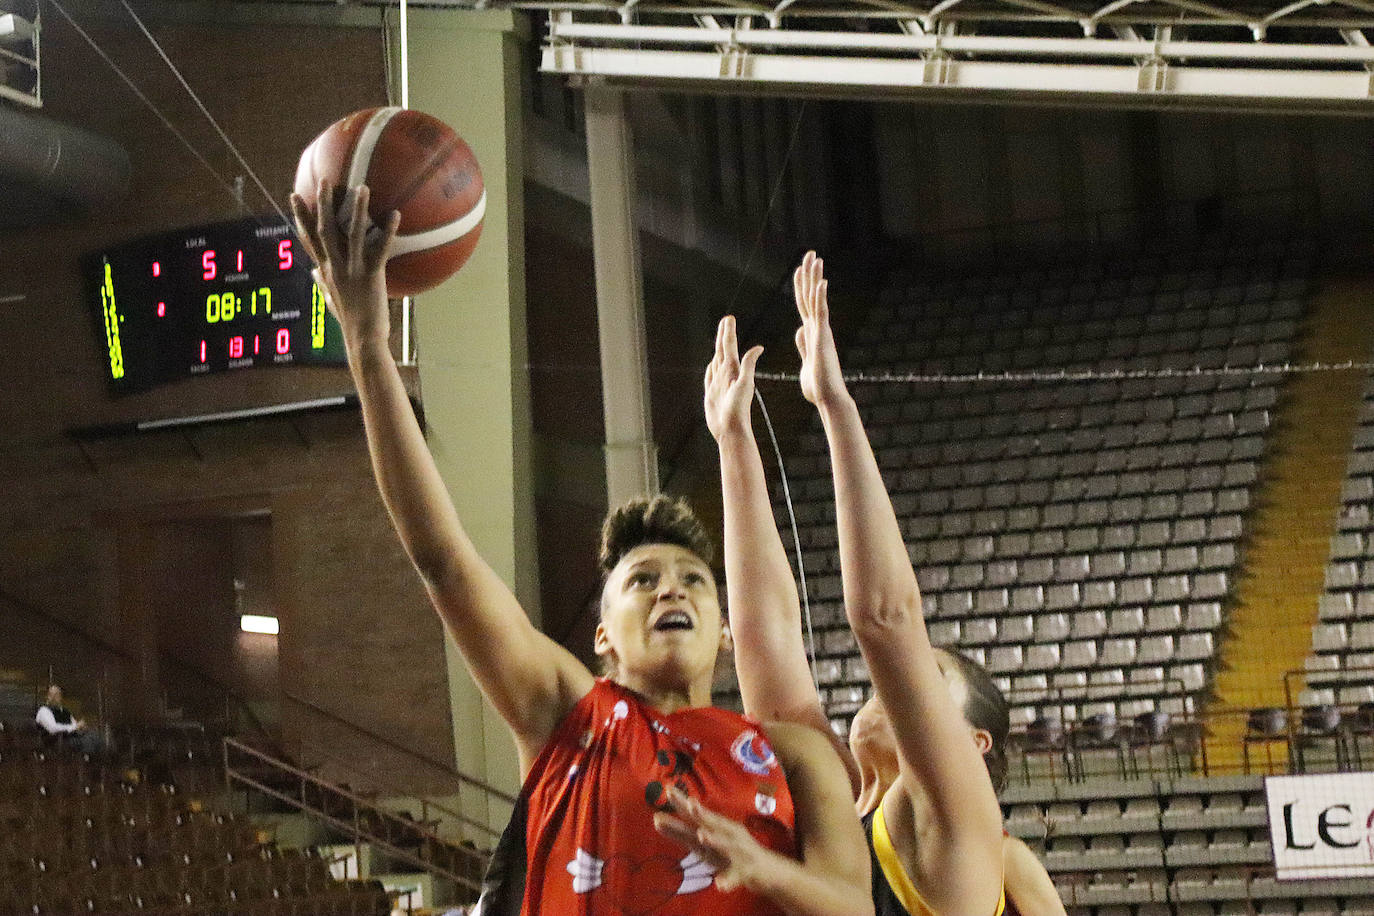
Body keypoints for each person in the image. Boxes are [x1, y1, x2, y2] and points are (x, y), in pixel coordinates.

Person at [290, 183, 870, 916]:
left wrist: (762, 866)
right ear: (602, 635)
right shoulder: (566, 714)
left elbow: (854, 909)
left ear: (727, 636)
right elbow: (443, 560)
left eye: (694, 579)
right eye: (642, 581)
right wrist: (369, 348)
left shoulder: (793, 754)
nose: (672, 589)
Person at [703, 252, 1067, 916]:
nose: (890, 689)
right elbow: (767, 641)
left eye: (926, 678)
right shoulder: (835, 798)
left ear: (973, 744)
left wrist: (835, 409)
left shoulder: (955, 832)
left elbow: (887, 622)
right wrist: (734, 444)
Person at [35, 684, 103, 755]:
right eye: (53, 694)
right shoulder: (43, 711)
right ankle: (87, 761)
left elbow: (74, 725)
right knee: (87, 741)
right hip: (55, 741)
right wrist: (74, 727)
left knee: (94, 736)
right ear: (47, 696)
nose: (55, 697)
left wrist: (80, 727)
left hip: (70, 739)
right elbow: (52, 728)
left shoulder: (65, 711)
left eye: (58, 694)